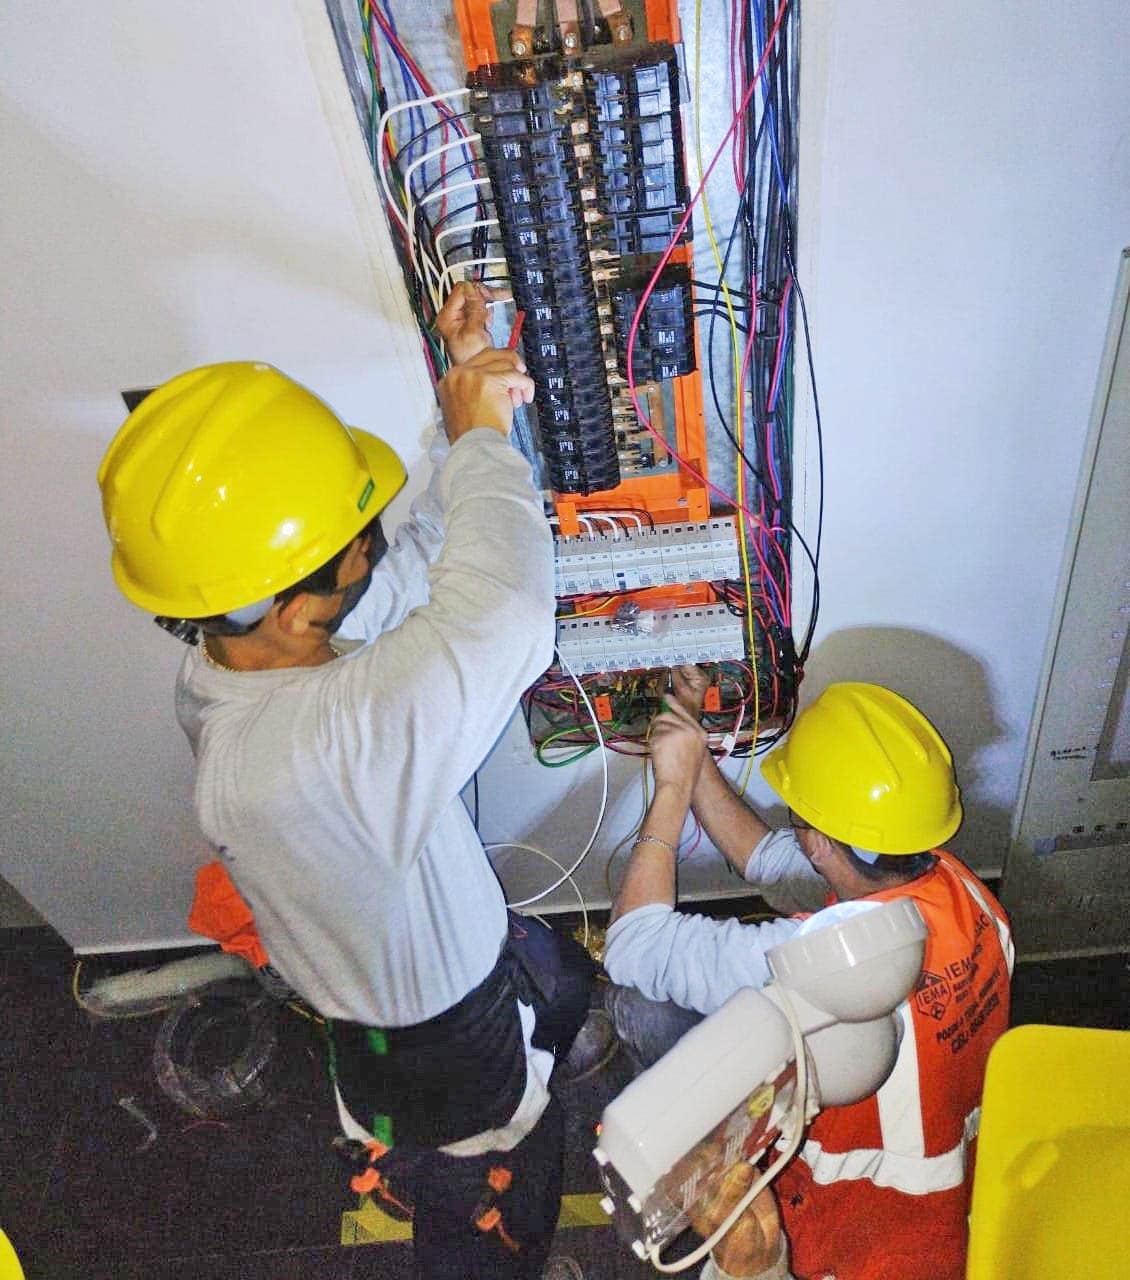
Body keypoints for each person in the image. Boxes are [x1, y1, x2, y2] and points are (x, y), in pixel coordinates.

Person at [97, 285, 593, 1280]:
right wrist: (481, 444)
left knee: (563, 980)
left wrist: (463, 406)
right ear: (287, 607)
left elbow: (402, 576)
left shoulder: (232, 661)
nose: (372, 543)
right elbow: (501, 614)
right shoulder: (318, 748)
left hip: (401, 978)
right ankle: (493, 1244)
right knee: (503, 1162)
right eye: (352, 540)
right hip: (442, 1037)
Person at [602, 666, 1014, 1280]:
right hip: (955, 1202)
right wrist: (694, 751)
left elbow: (632, 946)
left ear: (821, 841)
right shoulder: (962, 891)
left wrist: (669, 790)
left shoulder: (821, 962)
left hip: (853, 1237)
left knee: (637, 1007)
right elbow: (770, 859)